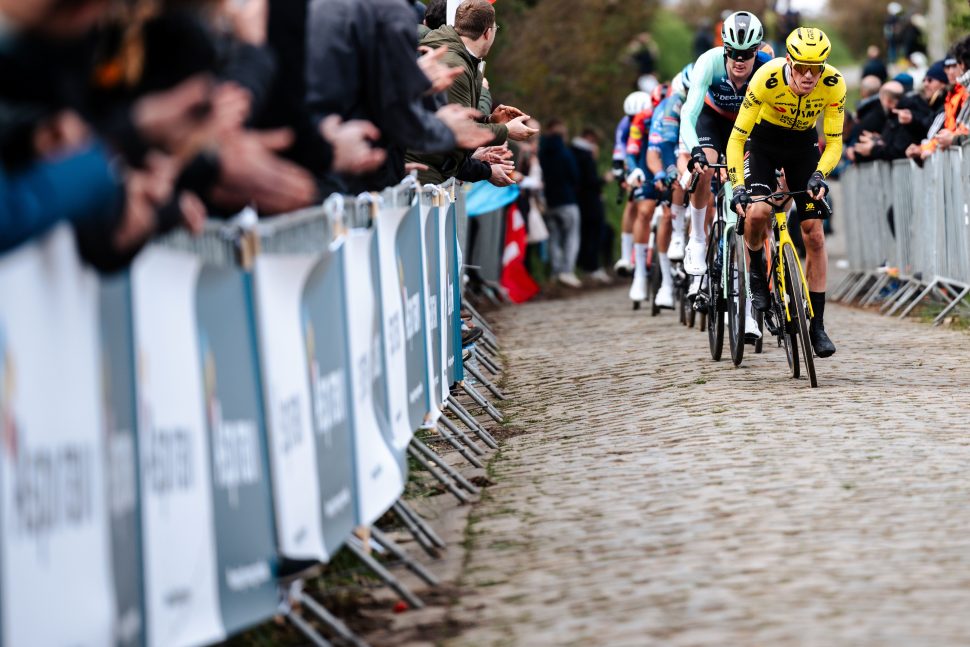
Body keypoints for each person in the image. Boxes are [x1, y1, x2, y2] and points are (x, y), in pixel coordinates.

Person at [727, 27, 846, 358]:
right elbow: (737, 139)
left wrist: (820, 174)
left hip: (802, 148)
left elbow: (834, 142)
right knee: (758, 212)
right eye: (802, 67)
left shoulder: (834, 84)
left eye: (815, 68)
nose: (809, 76)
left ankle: (817, 326)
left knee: (814, 234)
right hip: (763, 144)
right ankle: (756, 270)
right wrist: (738, 187)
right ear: (789, 62)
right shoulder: (766, 78)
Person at [680, 10, 771, 283]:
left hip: (746, 124)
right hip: (712, 119)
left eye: (747, 53)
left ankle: (749, 281)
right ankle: (697, 238)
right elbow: (688, 114)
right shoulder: (708, 62)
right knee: (705, 167)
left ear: (757, 50)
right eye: (733, 53)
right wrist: (695, 151)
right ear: (724, 48)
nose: (739, 61)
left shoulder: (767, 67)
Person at [407, 0, 537, 186]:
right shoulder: (455, 64)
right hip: (423, 174)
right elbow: (458, 130)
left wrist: (490, 120)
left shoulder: (461, 58)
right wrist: (506, 130)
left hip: (429, 171)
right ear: (487, 33)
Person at [612, 91, 651, 277]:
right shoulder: (624, 124)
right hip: (634, 158)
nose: (634, 120)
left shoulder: (655, 118)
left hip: (652, 155)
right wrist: (620, 173)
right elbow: (620, 148)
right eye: (631, 117)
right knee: (632, 201)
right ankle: (626, 256)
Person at [539, 118, 582, 288]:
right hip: (567, 201)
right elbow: (575, 176)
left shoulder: (542, 152)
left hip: (550, 202)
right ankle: (567, 271)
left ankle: (555, 272)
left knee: (554, 238)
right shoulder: (566, 153)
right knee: (571, 237)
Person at [570, 128, 612, 284]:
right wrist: (604, 180)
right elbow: (590, 181)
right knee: (593, 235)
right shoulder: (585, 156)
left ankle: (586, 266)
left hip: (580, 202)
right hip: (590, 204)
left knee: (587, 235)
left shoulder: (573, 152)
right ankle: (592, 267)